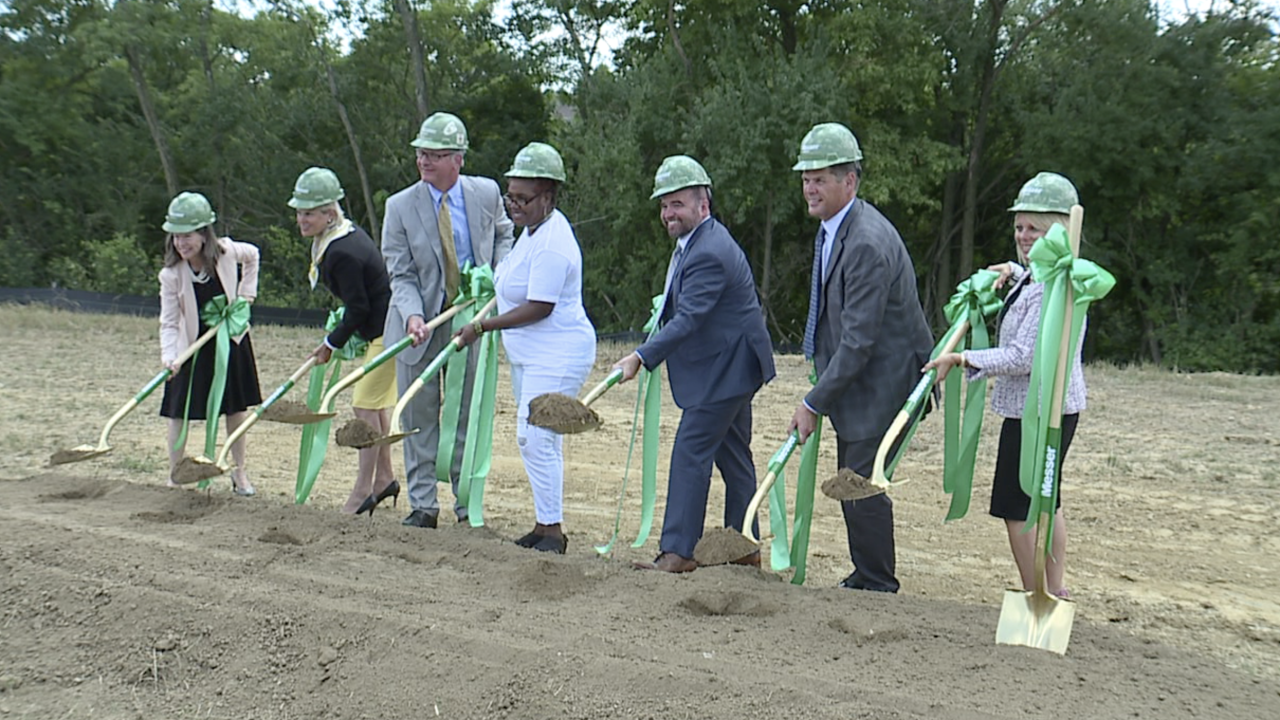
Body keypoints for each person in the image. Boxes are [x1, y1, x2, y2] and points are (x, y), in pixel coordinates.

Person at [786, 123, 933, 593]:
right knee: (853, 473)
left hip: (884, 381)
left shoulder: (866, 242)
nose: (810, 186)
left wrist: (813, 402)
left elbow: (859, 341)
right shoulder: (836, 228)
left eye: (821, 177)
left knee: (861, 479)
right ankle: (867, 573)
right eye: (806, 177)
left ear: (850, 181)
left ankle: (877, 584)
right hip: (863, 378)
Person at [924, 172, 1086, 598]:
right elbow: (1031, 280)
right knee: (1047, 499)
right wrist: (1012, 271)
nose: (1024, 236)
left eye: (1035, 227)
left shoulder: (1056, 283)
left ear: (1061, 229)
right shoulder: (1045, 272)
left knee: (1019, 507)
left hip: (1039, 412)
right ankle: (1053, 589)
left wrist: (962, 358)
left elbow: (1023, 356)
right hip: (1044, 408)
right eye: (1019, 227)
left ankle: (1039, 595)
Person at [613, 155, 776, 573]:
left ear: (703, 205)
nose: (669, 213)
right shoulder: (698, 243)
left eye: (678, 204)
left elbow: (688, 319)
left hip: (725, 369)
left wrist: (641, 356)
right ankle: (743, 552)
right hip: (733, 364)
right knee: (734, 457)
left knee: (690, 451)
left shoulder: (708, 251)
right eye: (665, 205)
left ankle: (679, 552)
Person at [455, 142, 595, 554]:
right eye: (509, 196)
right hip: (531, 355)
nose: (514, 205)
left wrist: (482, 326)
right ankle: (544, 525)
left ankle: (551, 532)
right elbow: (512, 285)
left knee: (536, 438)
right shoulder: (531, 232)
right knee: (534, 438)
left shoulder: (553, 241)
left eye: (524, 198)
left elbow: (539, 306)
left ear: (549, 196)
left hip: (558, 351)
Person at [382, 112, 514, 528]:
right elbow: (400, 272)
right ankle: (423, 506)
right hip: (417, 326)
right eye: (421, 154)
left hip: (471, 323)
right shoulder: (399, 207)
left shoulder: (487, 193)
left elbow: (504, 234)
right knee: (418, 416)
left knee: (464, 414)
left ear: (458, 160)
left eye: (435, 156)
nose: (424, 162)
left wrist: (498, 275)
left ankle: (465, 505)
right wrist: (413, 316)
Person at [288, 167, 400, 515]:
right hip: (379, 330)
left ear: (329, 213)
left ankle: (362, 491)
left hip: (389, 332)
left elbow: (359, 306)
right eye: (299, 212)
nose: (301, 219)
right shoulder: (338, 239)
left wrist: (331, 343)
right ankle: (385, 479)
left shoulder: (342, 252)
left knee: (364, 407)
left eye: (309, 213)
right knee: (376, 407)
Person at [157, 191, 262, 496]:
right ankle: (176, 476)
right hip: (190, 347)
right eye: (175, 237)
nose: (181, 243)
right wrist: (169, 357)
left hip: (230, 340)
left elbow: (253, 255)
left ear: (204, 234)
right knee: (178, 411)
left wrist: (245, 298)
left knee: (235, 408)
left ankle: (239, 474)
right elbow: (169, 321)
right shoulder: (171, 275)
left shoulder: (227, 252)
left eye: (187, 235)